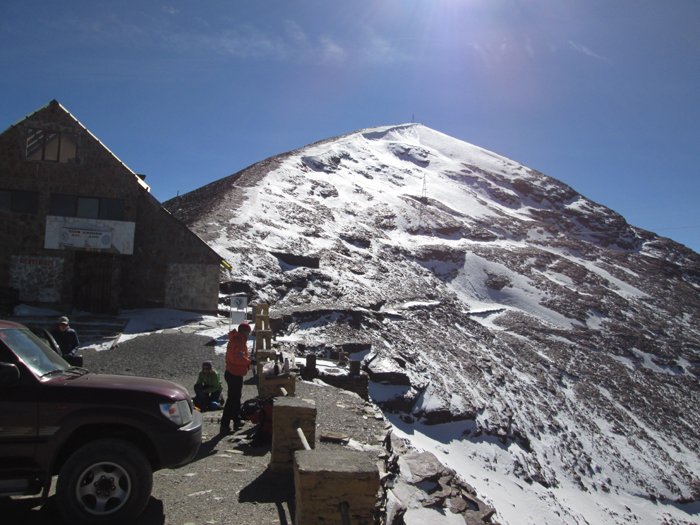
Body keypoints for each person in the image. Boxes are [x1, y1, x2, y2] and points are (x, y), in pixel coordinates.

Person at [220, 322, 251, 434]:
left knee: (236, 397)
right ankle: (224, 424)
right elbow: (239, 359)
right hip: (234, 373)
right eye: (248, 332)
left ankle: (237, 420)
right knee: (232, 399)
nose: (249, 334)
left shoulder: (236, 340)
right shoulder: (239, 342)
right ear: (245, 332)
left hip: (232, 372)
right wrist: (250, 361)